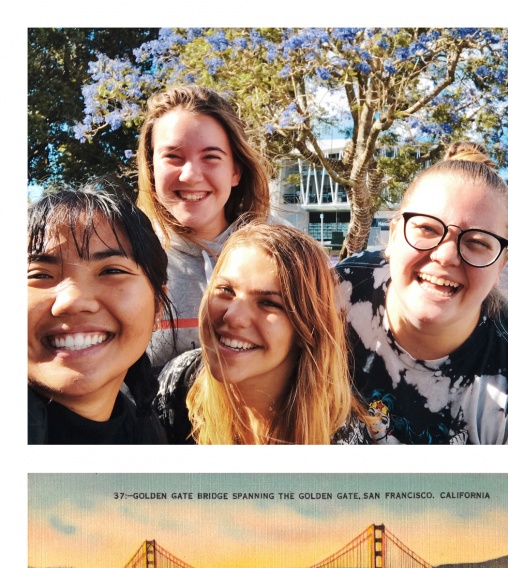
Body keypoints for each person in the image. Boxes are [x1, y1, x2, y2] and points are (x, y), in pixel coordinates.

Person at [336, 141, 508, 444]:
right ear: (394, 236)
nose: (446, 256)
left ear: (500, 265)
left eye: (477, 241)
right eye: (427, 229)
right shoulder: (340, 289)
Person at [155, 222, 369, 444]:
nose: (233, 316)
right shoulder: (178, 382)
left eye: (269, 303)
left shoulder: (339, 437)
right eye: (226, 290)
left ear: (307, 327)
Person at [137, 84, 272, 368]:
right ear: (151, 168)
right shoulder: (127, 259)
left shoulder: (281, 254)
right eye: (173, 157)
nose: (191, 175)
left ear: (235, 171)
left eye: (211, 157)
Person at [28, 186, 175, 444]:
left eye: (111, 271)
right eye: (40, 275)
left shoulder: (149, 433)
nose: (72, 301)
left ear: (157, 307)